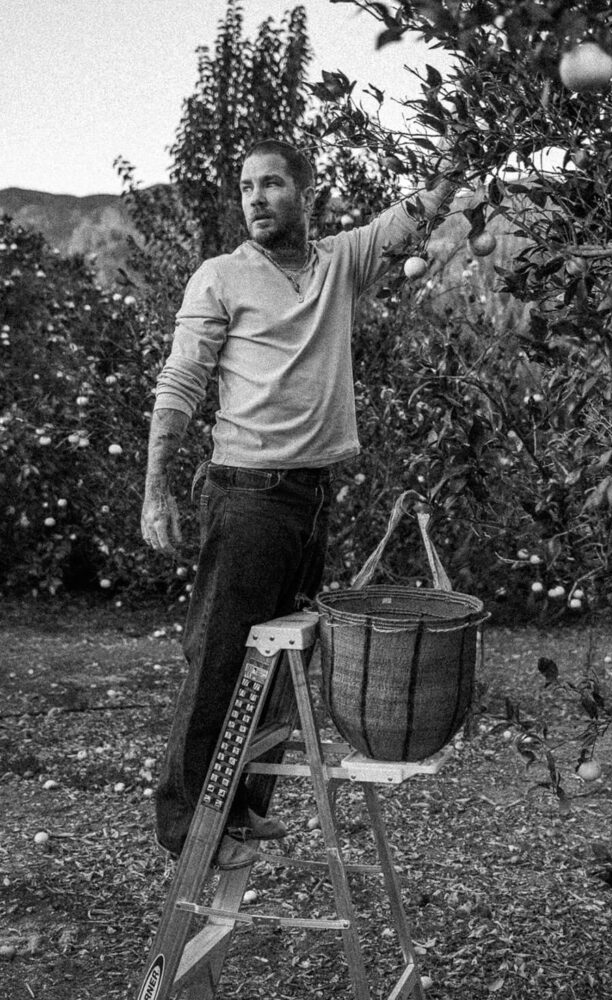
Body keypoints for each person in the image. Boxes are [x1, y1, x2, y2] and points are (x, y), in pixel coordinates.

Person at [141, 137, 456, 869]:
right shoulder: (219, 277)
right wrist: (157, 489)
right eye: (246, 185)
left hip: (312, 495)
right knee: (219, 657)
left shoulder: (339, 264)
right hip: (247, 497)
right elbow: (180, 384)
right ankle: (186, 823)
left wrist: (457, 160)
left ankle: (241, 809)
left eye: (272, 184)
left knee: (284, 666)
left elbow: (411, 219)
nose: (255, 197)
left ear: (304, 194)